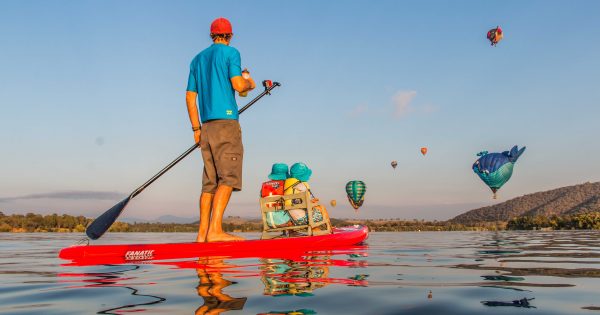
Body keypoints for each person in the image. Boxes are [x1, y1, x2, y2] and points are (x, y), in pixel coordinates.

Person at [186, 17, 256, 242]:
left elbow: (189, 97)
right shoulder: (231, 53)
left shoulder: (197, 60)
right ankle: (215, 231)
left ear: (211, 35)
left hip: (205, 128)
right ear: (230, 36)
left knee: (209, 183)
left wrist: (196, 129)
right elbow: (238, 84)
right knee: (228, 178)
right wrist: (250, 83)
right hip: (226, 125)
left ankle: (202, 234)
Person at [284, 163, 331, 229]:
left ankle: (317, 230)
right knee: (321, 208)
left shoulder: (286, 185)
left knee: (315, 210)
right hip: (302, 219)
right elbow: (308, 203)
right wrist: (314, 201)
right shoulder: (302, 186)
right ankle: (329, 228)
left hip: (291, 219)